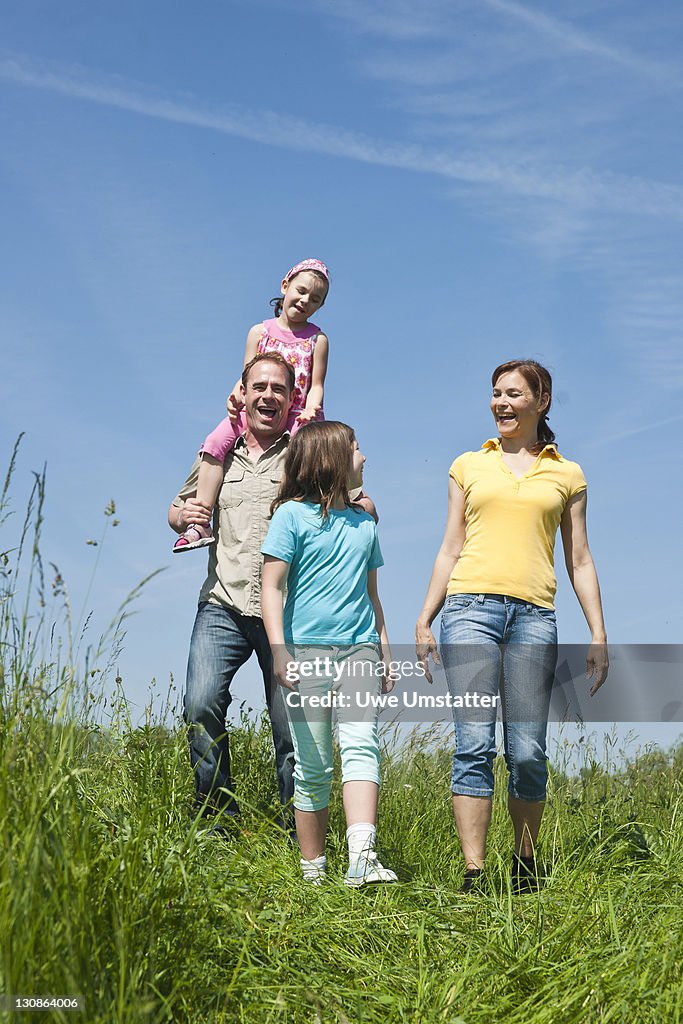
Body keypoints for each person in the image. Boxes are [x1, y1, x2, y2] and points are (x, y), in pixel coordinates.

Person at [415, 359, 609, 893]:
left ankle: (525, 865)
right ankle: (474, 873)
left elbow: (580, 559)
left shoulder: (567, 474)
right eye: (495, 393)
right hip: (469, 611)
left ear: (541, 401)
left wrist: (598, 633)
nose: (501, 402)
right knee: (473, 742)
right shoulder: (467, 466)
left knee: (526, 749)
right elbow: (450, 545)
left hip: (533, 618)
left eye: (513, 394)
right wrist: (425, 617)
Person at [261, 421, 398, 886]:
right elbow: (271, 587)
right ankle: (313, 874)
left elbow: (372, 595)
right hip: (306, 653)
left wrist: (383, 649)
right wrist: (279, 653)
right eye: (358, 450)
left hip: (358, 650)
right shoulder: (291, 518)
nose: (364, 458)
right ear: (333, 459)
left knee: (361, 745)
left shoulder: (366, 524)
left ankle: (361, 859)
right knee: (314, 765)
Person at [168, 352, 299, 826]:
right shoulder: (218, 454)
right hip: (221, 602)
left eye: (278, 388)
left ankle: (295, 831)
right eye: (259, 386)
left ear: (290, 399)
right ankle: (217, 816)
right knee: (200, 705)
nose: (268, 395)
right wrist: (183, 517)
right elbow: (178, 507)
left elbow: (344, 495)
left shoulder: (302, 454)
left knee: (291, 727)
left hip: (285, 609)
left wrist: (362, 499)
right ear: (242, 394)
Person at [173, 259, 330, 553]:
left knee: (309, 457)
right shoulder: (259, 332)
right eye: (301, 291)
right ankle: (201, 520)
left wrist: (312, 407)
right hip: (255, 410)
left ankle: (309, 523)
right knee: (215, 442)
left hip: (296, 414)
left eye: (315, 299)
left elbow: (317, 383)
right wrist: (235, 395)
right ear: (285, 287)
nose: (305, 301)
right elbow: (245, 373)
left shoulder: (317, 339)